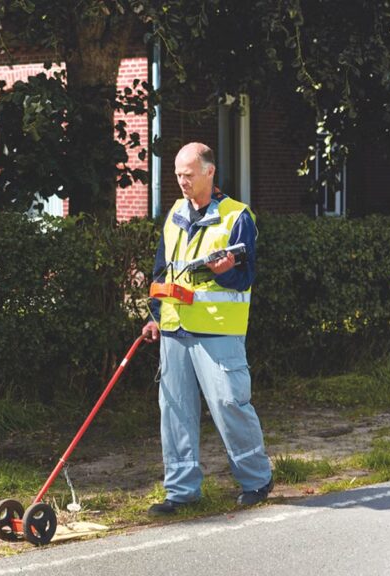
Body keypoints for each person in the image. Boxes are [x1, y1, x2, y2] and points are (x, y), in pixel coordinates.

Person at [142, 142, 273, 516]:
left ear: (209, 172)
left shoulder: (237, 217)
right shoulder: (174, 216)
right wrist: (155, 315)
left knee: (230, 403)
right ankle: (181, 492)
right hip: (174, 330)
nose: (182, 181)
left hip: (218, 331)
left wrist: (225, 271)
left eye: (189, 174)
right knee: (175, 411)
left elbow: (244, 276)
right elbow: (160, 273)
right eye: (178, 175)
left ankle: (256, 480)